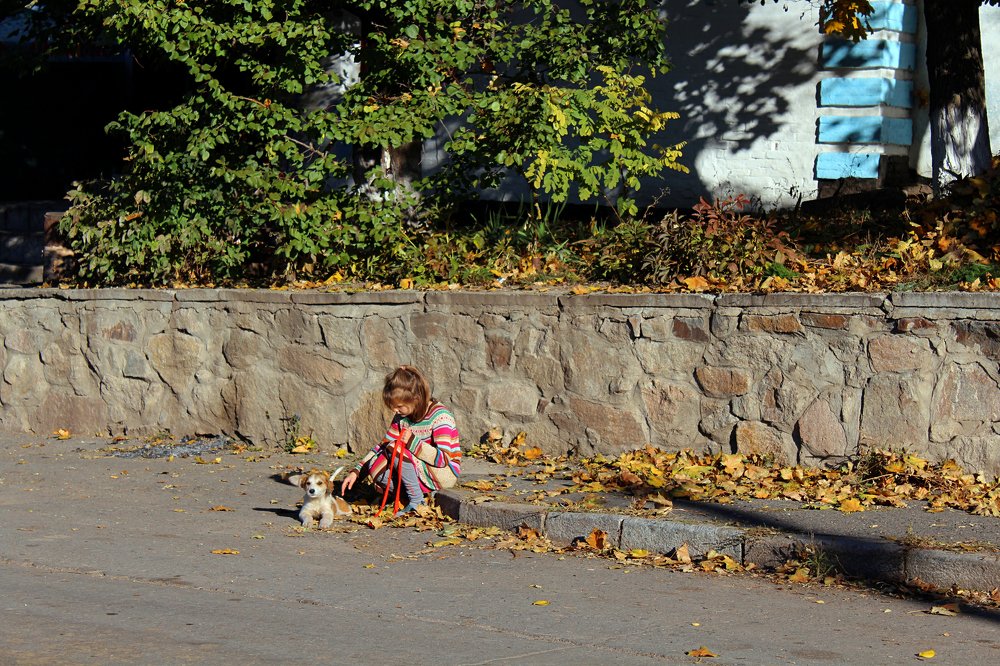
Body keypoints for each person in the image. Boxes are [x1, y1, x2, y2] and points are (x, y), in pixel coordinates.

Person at [341, 365, 461, 514]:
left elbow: (443, 459)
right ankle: (412, 495)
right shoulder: (402, 417)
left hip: (443, 472)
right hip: (418, 468)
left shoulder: (440, 416)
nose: (394, 411)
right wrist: (357, 472)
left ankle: (417, 501)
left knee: (396, 449)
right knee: (375, 463)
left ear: (415, 399)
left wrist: (413, 442)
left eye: (399, 406)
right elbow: (383, 446)